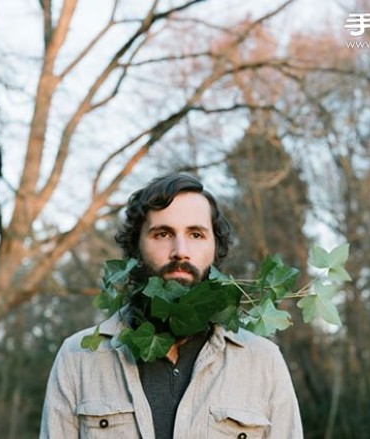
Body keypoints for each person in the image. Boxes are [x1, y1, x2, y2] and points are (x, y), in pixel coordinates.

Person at [40, 173, 303, 438]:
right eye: (163, 233)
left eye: (196, 234)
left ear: (215, 248)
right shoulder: (78, 358)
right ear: (136, 248)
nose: (180, 250)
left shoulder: (263, 362)